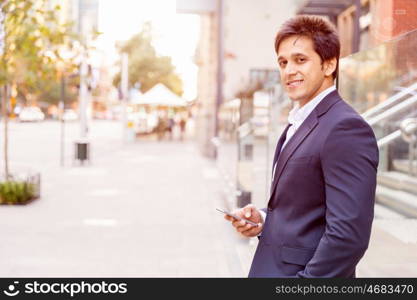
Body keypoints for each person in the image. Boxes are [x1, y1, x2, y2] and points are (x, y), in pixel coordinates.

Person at [224, 15, 379, 278]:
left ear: (329, 64)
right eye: (283, 62)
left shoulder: (345, 128)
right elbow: (303, 209)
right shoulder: (299, 121)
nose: (289, 71)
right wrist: (262, 220)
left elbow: (348, 236)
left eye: (300, 60)